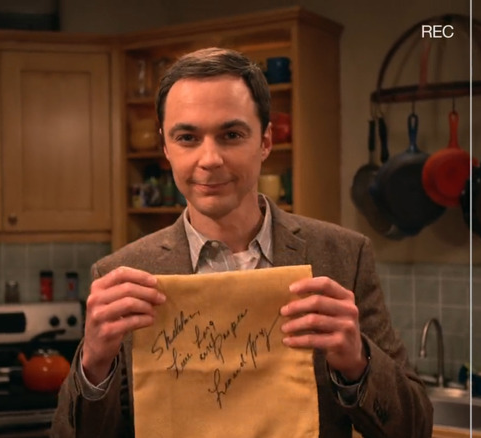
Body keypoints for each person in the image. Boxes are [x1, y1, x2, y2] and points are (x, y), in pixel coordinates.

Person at [51, 47, 433, 438]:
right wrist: (94, 365)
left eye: (231, 134)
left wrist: (358, 363)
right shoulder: (122, 276)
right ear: (166, 147)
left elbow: (415, 428)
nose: (210, 158)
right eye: (187, 137)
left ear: (265, 141)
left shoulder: (342, 256)